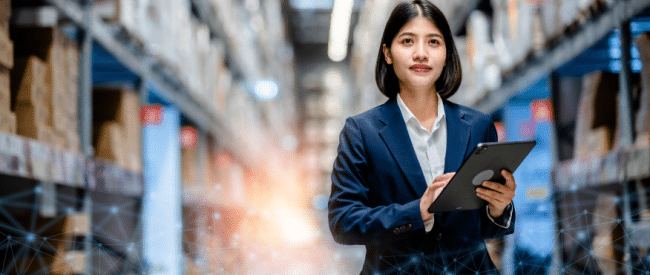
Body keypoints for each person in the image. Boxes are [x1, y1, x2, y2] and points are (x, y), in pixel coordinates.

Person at [328, 1, 517, 274]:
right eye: (407, 41)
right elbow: (343, 221)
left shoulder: (478, 125)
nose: (421, 53)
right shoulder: (361, 132)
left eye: (433, 42)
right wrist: (417, 212)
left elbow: (485, 227)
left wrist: (499, 208)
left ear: (447, 53)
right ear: (388, 53)